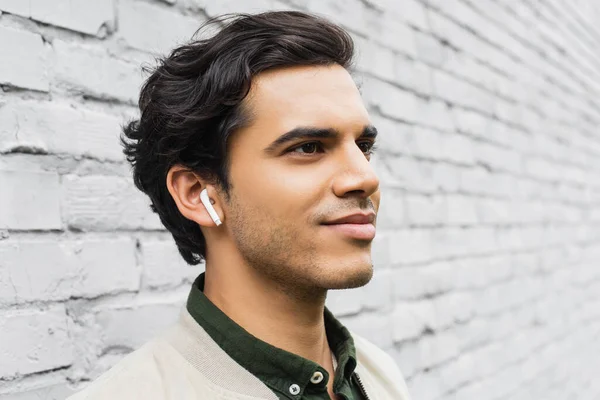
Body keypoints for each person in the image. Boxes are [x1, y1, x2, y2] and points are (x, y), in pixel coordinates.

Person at [68, 10, 410, 400]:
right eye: (308, 148)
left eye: (363, 147)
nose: (366, 178)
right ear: (197, 193)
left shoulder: (379, 374)